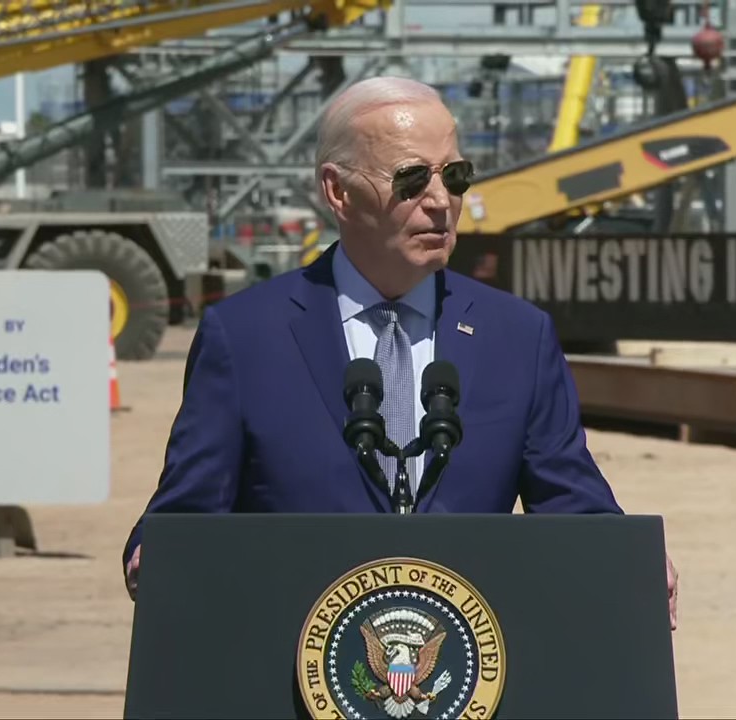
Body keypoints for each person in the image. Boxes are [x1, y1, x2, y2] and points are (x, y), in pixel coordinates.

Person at [122, 75, 678, 627]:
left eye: (455, 177)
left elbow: (572, 503)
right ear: (337, 191)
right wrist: (154, 553)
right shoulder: (244, 337)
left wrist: (628, 559)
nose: (440, 202)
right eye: (412, 180)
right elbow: (185, 514)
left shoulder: (518, 336)